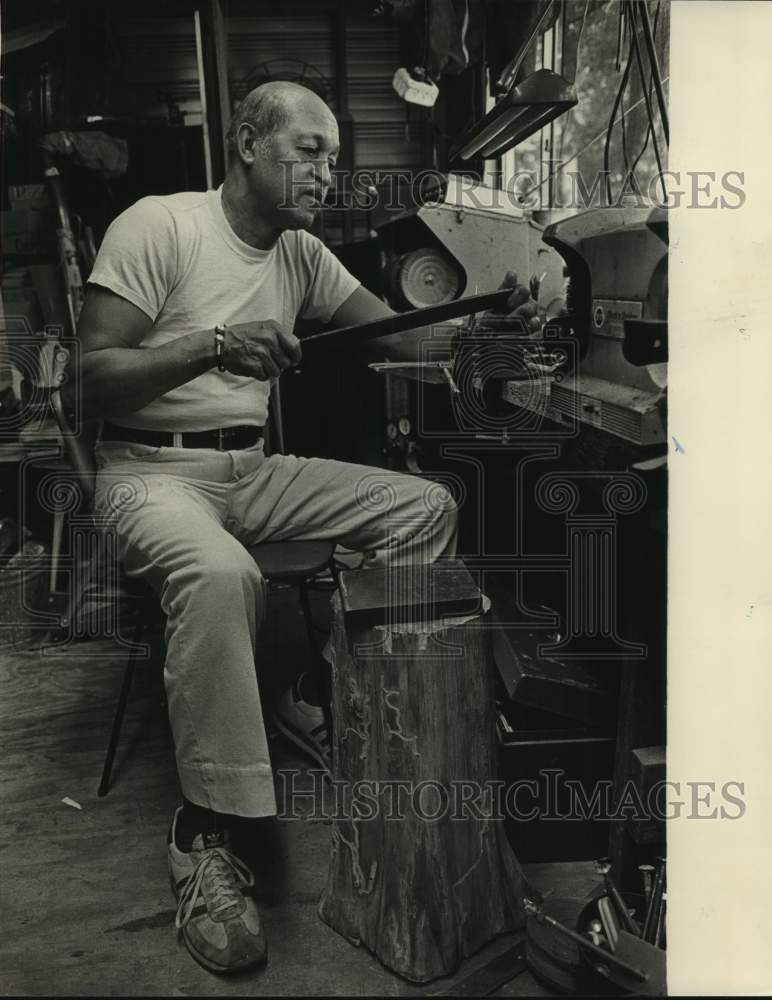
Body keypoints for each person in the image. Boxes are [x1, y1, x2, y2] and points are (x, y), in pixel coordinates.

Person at [75, 80, 538, 976]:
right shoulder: (160, 226)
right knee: (222, 574)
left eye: (335, 157)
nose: (329, 173)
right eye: (310, 151)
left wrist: (485, 333)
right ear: (249, 143)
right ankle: (205, 833)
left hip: (250, 472)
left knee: (423, 506)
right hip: (148, 474)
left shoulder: (302, 253)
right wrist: (215, 345)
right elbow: (87, 382)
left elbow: (400, 339)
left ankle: (337, 703)